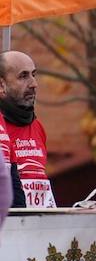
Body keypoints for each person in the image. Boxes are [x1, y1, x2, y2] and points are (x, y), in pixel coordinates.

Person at [0, 51, 54, 207]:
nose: (33, 84)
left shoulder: (38, 127)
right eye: (23, 76)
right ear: (1, 85)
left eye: (33, 75)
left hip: (37, 226)